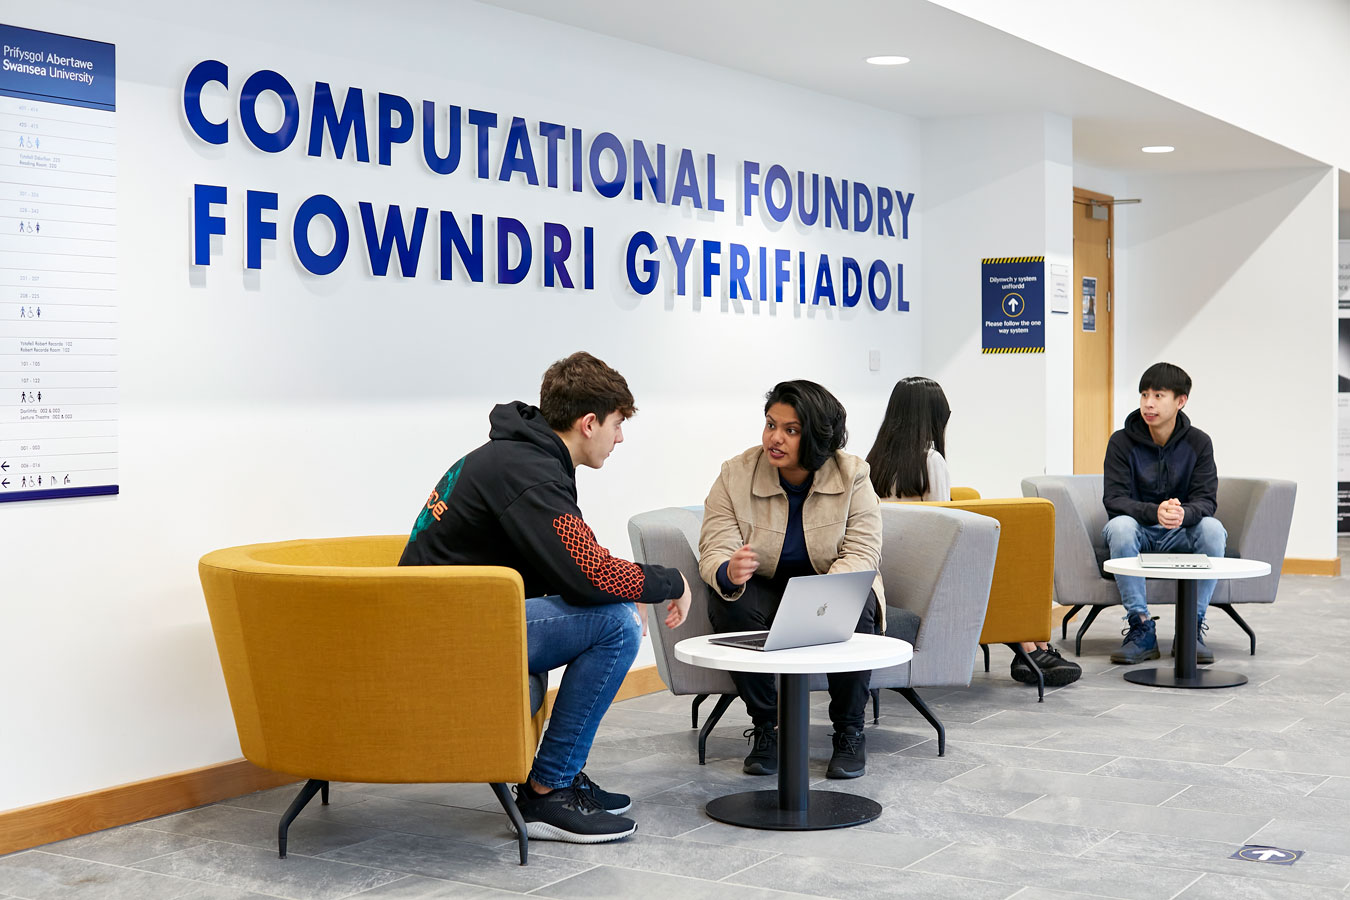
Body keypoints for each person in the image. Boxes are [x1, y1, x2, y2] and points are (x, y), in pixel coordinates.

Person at [399, 351, 692, 844]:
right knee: (617, 625)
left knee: (613, 608)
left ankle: (558, 776)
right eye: (618, 424)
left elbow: (575, 561)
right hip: (443, 636)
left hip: (447, 619)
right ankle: (547, 789)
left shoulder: (524, 458)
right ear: (589, 422)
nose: (620, 437)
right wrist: (667, 582)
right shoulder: (528, 472)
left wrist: (621, 585)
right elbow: (588, 571)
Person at [698, 380, 884, 779]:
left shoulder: (853, 475)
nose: (774, 438)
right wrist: (728, 571)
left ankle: (849, 731)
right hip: (766, 584)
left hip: (828, 578)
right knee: (730, 600)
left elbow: (862, 551)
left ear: (816, 436)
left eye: (791, 430)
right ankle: (769, 725)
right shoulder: (735, 474)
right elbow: (715, 546)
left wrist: (824, 594)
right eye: (770, 424)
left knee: (857, 603)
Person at [865, 376, 1081, 687]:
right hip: (927, 576)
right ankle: (1032, 648)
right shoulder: (930, 460)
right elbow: (942, 525)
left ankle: (1032, 648)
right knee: (1006, 570)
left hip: (891, 570)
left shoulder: (875, 461)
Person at [1103, 362, 1225, 664]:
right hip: (1140, 531)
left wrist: (1183, 513)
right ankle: (1141, 627)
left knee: (1212, 529)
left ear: (1180, 401)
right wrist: (1153, 512)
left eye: (1158, 395)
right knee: (1119, 527)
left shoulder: (1199, 443)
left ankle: (1191, 629)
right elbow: (1114, 499)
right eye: (1144, 394)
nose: (1148, 403)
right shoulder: (1121, 442)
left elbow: (1206, 500)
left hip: (1180, 533)